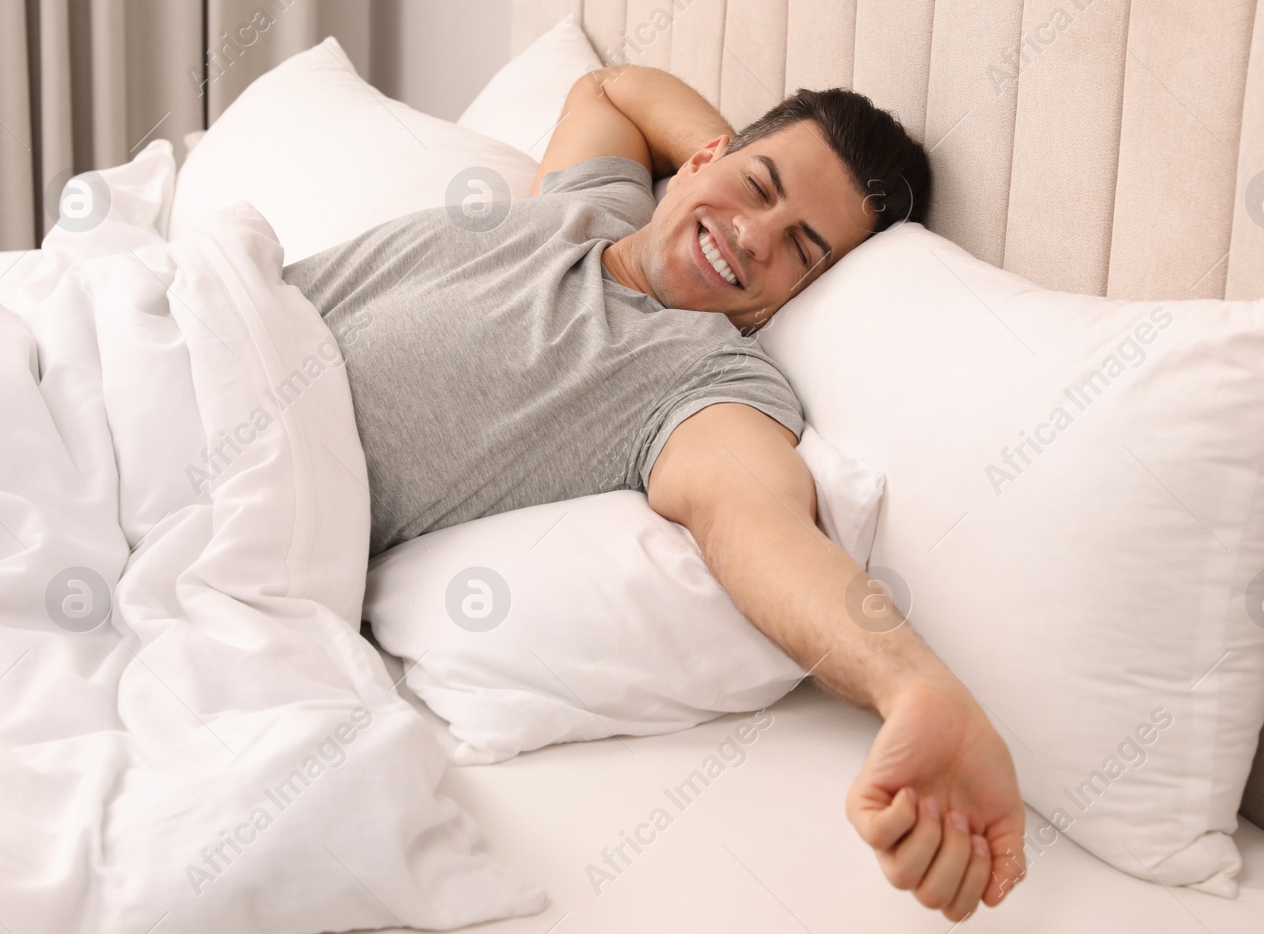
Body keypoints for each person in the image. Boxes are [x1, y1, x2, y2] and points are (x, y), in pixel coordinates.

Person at [282, 64, 1027, 921]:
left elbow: (756, 522)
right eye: (759, 186)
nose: (754, 238)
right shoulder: (592, 204)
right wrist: (714, 181)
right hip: (175, 323)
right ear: (705, 154)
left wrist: (917, 689)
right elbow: (611, 89)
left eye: (800, 248)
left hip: (224, 473)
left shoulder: (704, 378)